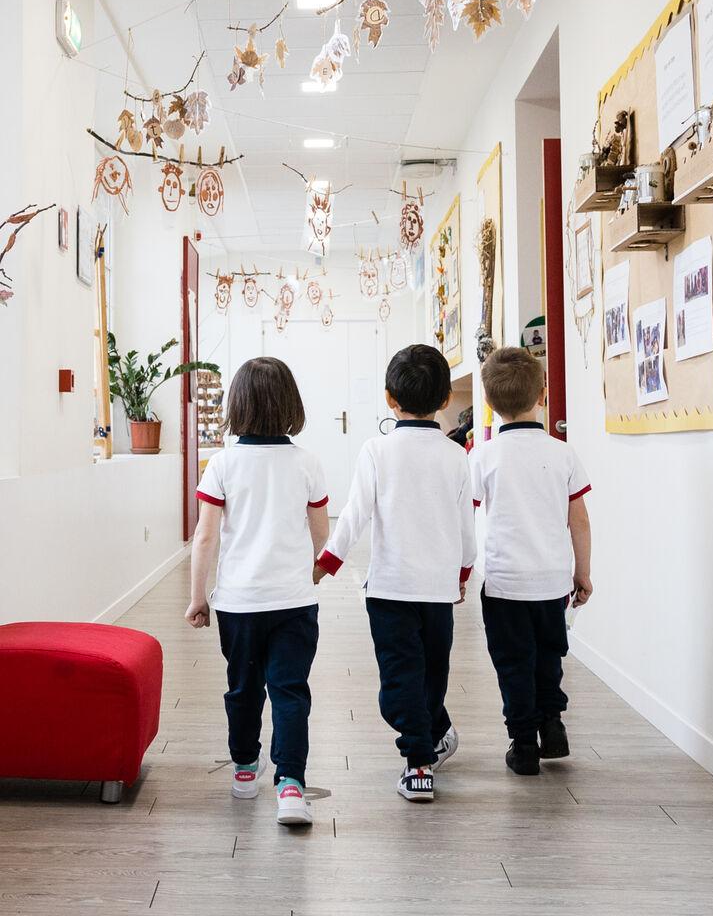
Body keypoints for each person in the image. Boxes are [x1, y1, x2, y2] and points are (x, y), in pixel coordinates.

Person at [313, 344, 475, 804]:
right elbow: (467, 523)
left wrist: (327, 561)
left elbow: (354, 515)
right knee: (420, 677)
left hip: (398, 589)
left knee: (409, 679)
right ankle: (430, 737)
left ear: (388, 398)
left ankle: (419, 761)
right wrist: (463, 571)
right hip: (423, 589)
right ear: (446, 400)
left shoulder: (377, 450)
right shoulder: (453, 454)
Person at [185, 357, 330, 827]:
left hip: (239, 603)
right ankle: (290, 785)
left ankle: (245, 770)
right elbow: (321, 535)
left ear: (237, 405)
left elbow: (205, 538)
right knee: (290, 690)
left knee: (243, 688)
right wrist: (311, 576)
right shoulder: (306, 463)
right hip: (292, 602)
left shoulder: (222, 464)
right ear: (290, 403)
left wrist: (197, 597)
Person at [470, 347, 593, 777]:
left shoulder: (484, 457)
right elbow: (578, 518)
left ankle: (523, 744)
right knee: (548, 655)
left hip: (505, 582)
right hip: (553, 579)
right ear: (543, 393)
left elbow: (465, 512)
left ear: (488, 403)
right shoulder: (563, 452)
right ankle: (553, 725)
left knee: (513, 661)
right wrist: (583, 572)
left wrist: (461, 568)